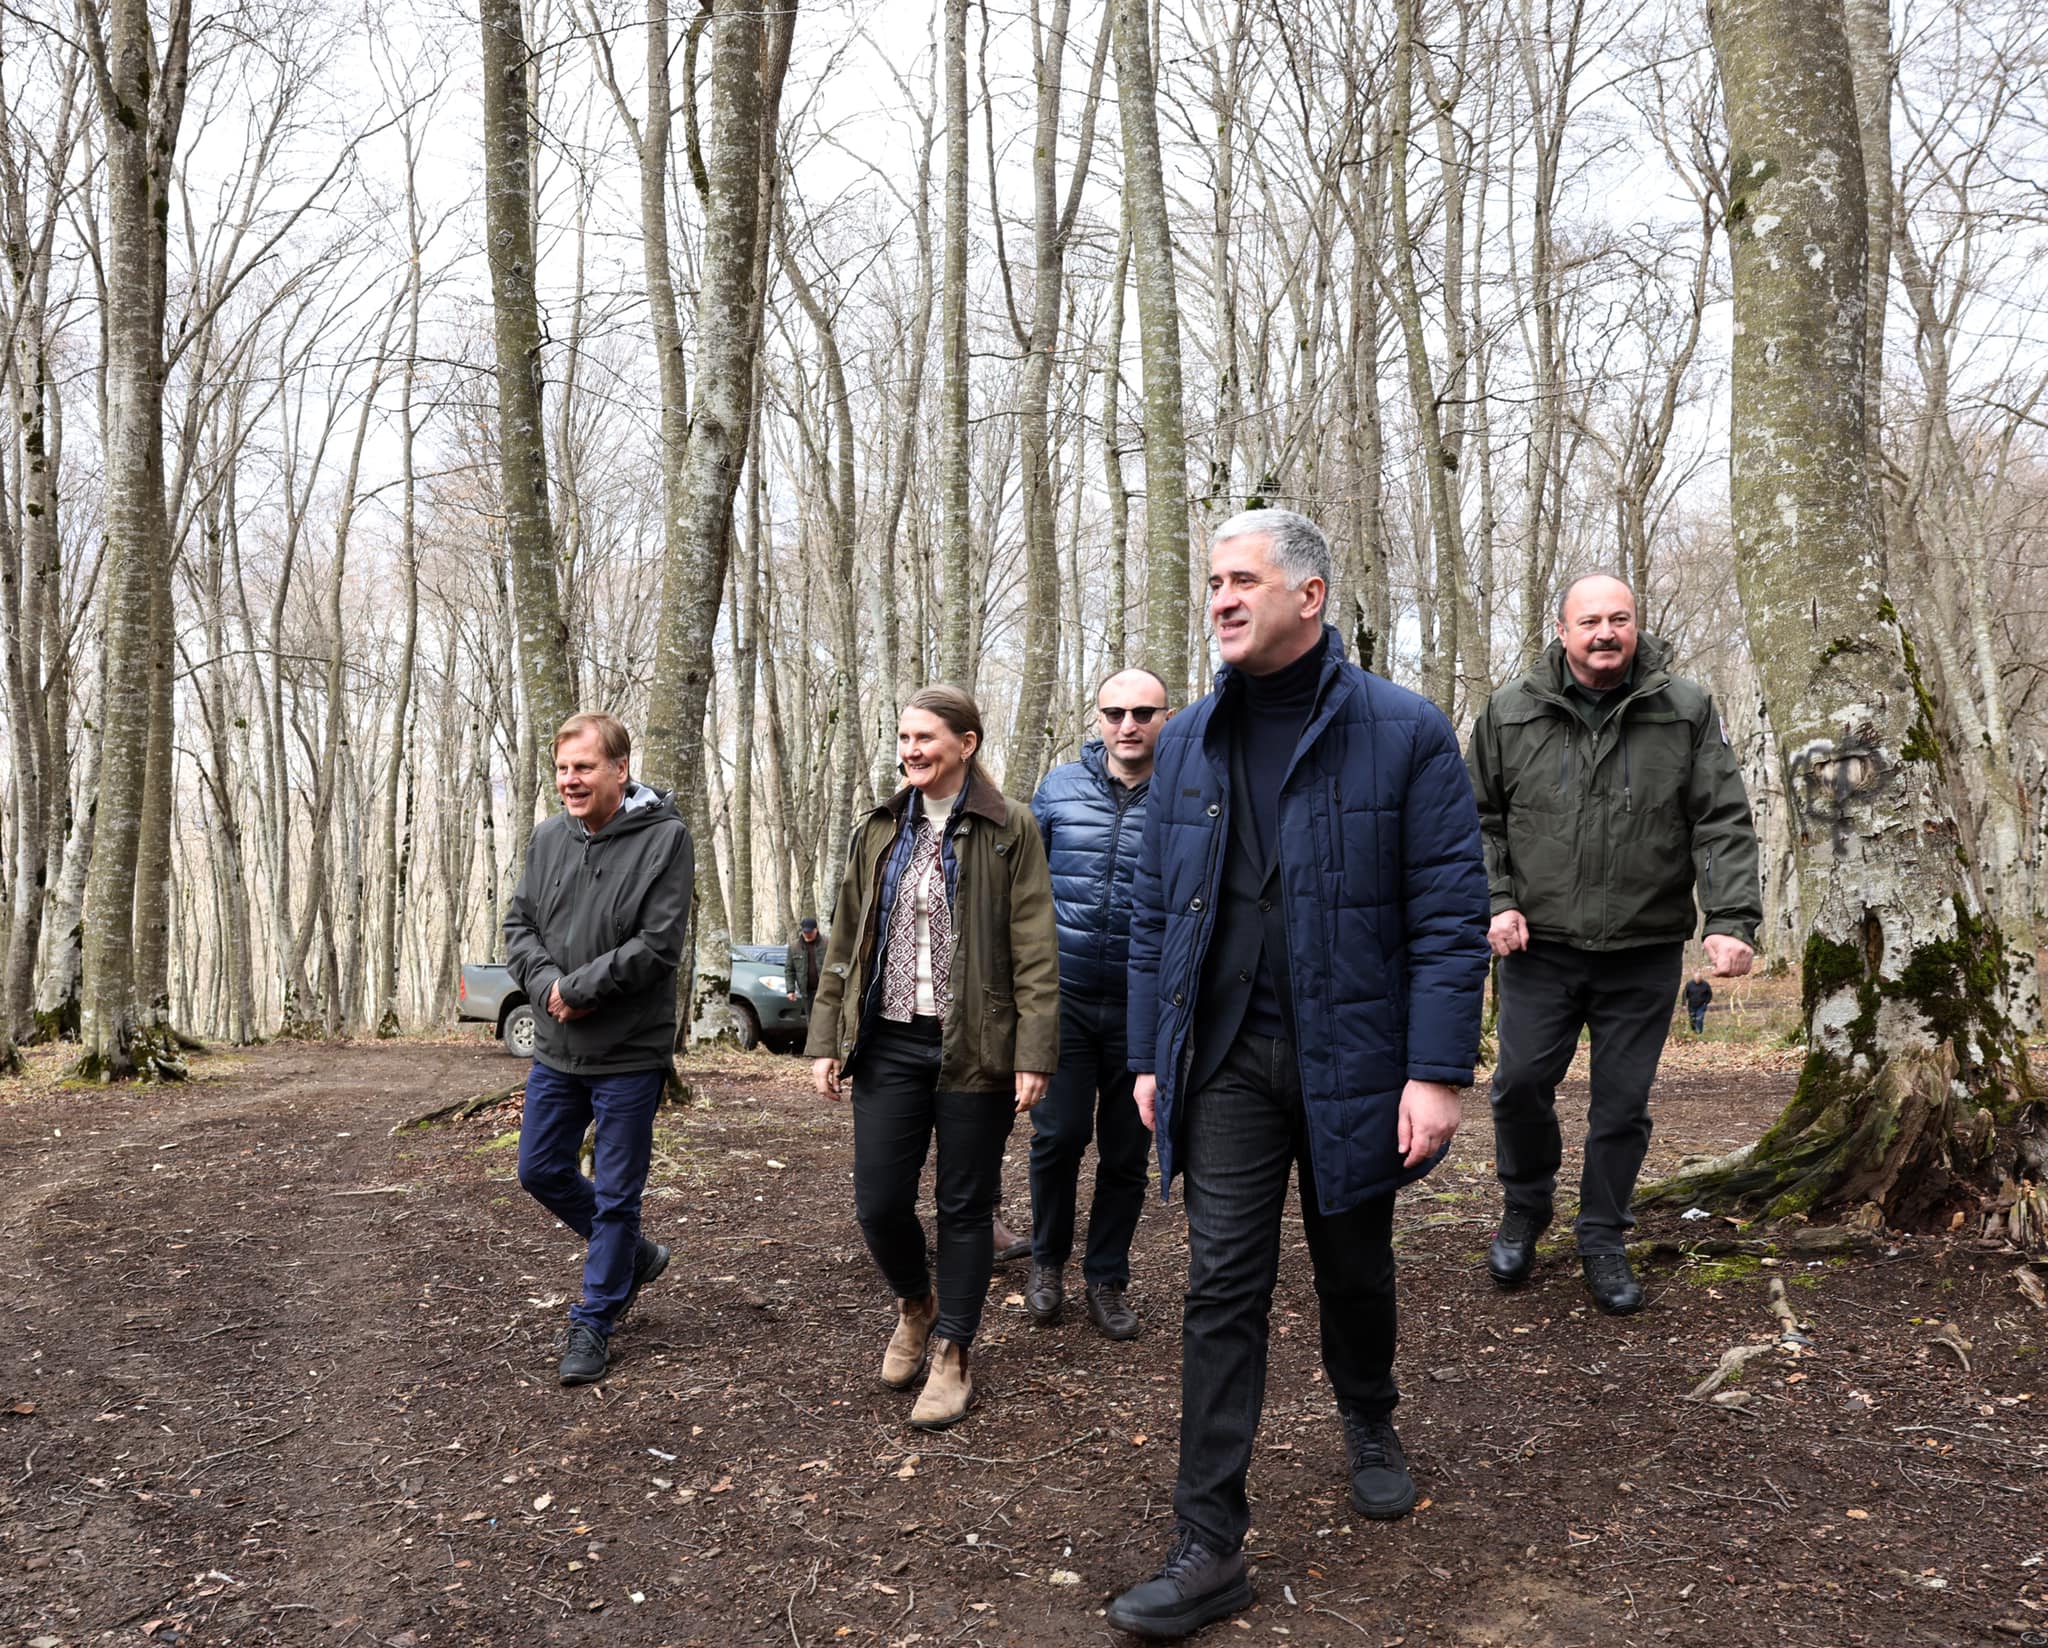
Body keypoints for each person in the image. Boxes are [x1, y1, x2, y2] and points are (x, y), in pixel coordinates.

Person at [1108, 510, 1490, 1640]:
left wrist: (1434, 1071)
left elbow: (1448, 916)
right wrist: (1150, 1052)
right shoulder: (1187, 738)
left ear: (1308, 594)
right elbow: (1153, 914)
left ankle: (1368, 1414)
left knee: (1352, 1266)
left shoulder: (1405, 731)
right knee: (1219, 1282)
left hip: (1353, 1059)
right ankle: (1207, 1541)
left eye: (1242, 580)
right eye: (1212, 582)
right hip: (1223, 1058)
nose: (1220, 599)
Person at [1466, 574, 1761, 1316]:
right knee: (1519, 1084)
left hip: (1643, 945)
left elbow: (1721, 817)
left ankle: (1602, 1233)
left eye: (1619, 619)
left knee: (1622, 1105)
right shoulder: (1510, 710)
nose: (1606, 633)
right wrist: (1497, 901)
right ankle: (1525, 1208)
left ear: (1636, 625)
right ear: (1562, 630)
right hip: (1539, 947)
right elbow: (1479, 820)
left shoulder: (1684, 707)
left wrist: (1731, 918)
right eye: (1590, 620)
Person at [806, 687, 1059, 1429]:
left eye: (925, 737)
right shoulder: (882, 827)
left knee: (965, 1205)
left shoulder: (1010, 827)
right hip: (888, 1039)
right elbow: (846, 937)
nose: (911, 750)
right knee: (879, 1202)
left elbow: (1035, 946)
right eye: (904, 737)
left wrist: (1034, 1049)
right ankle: (916, 1304)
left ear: (966, 743)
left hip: (976, 1044)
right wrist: (826, 1037)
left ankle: (953, 1353)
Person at [504, 712, 694, 1387]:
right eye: (562, 769)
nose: (570, 780)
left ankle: (594, 1319)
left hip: (629, 1051)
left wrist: (582, 989)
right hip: (557, 1046)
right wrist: (548, 987)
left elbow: (658, 944)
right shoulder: (548, 837)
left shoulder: (665, 838)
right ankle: (632, 1257)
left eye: (583, 767)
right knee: (539, 1169)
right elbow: (519, 924)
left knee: (616, 1195)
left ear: (620, 769)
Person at [1023, 667, 1171, 1340]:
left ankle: (1106, 1277)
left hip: (1146, 1009)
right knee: (1057, 1137)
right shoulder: (1058, 789)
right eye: (1115, 713)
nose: (1128, 725)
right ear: (1097, 719)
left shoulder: (1189, 793)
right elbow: (1023, 893)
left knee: (1125, 1152)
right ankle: (1047, 1262)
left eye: (1143, 712)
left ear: (1165, 718)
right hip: (1066, 1001)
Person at [786, 916, 825, 1020]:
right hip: (807, 992)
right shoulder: (794, 947)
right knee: (811, 1019)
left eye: (810, 932)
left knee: (825, 1019)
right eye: (805, 932)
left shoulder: (826, 944)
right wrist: (790, 990)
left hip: (824, 990)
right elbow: (789, 970)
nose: (807, 935)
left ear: (816, 930)